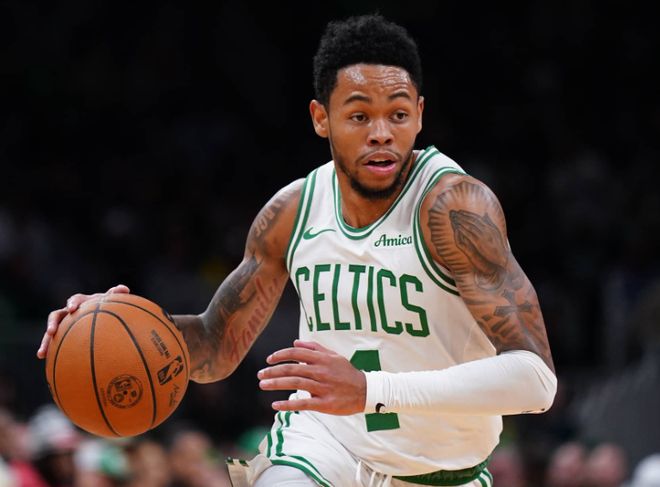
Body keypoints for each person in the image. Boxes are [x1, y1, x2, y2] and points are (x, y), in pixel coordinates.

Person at [37, 14, 556, 487]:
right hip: (323, 445)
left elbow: (536, 382)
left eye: (398, 114)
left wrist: (371, 390)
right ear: (320, 118)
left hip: (444, 471)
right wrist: (122, 323)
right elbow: (216, 346)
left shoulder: (454, 208)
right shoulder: (292, 212)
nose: (381, 134)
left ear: (420, 115)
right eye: (359, 116)